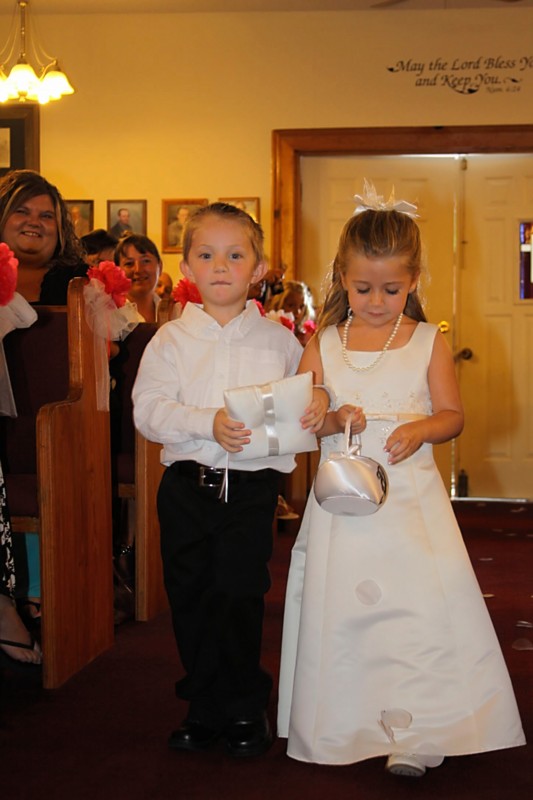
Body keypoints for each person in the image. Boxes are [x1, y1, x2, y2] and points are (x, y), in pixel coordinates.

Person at [277, 190, 525, 776]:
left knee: (416, 610)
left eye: (392, 289)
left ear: (413, 279)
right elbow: (303, 410)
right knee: (344, 609)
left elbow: (452, 415)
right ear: (342, 277)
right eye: (363, 289)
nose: (377, 301)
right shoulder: (323, 342)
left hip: (409, 503)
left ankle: (419, 728)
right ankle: (344, 719)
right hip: (344, 502)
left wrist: (421, 429)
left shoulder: (426, 340)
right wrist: (332, 417)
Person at [132, 202, 328, 758]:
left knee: (240, 593)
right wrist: (206, 423)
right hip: (186, 487)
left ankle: (244, 708)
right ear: (188, 266)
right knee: (190, 594)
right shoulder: (169, 340)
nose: (221, 265)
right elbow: (147, 410)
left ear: (258, 269)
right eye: (206, 254)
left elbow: (304, 400)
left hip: (249, 490)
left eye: (235, 255)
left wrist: (316, 402)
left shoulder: (279, 343)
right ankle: (202, 706)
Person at [0, 169, 87, 304]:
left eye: (46, 216)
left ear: (60, 229)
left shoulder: (85, 283)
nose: (34, 222)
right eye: (22, 212)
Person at [115, 234, 165, 323]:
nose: (138, 270)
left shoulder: (173, 312)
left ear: (160, 267)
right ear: (117, 271)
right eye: (129, 263)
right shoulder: (111, 315)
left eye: (146, 261)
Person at [267, 280, 316, 346]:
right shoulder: (270, 330)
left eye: (301, 306)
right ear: (279, 304)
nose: (297, 311)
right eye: (291, 305)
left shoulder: (307, 336)